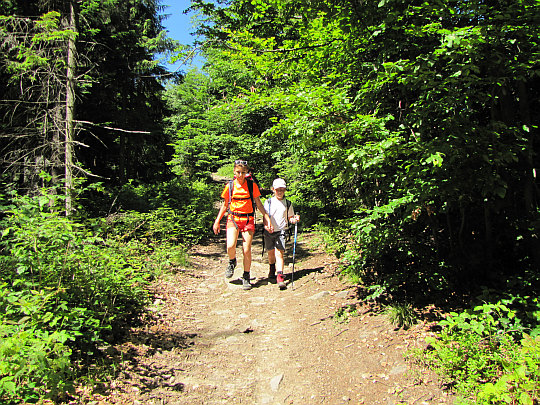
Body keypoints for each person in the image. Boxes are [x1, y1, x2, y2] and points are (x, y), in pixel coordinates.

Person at [213, 160, 273, 290]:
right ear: (234, 172)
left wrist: (266, 216)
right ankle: (232, 261)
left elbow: (258, 203)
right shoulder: (230, 186)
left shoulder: (252, 186)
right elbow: (224, 205)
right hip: (233, 218)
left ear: (247, 173)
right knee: (230, 246)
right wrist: (217, 221)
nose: (240, 175)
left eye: (243, 172)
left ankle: (246, 275)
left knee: (246, 249)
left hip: (248, 219)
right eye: (238, 172)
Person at [263, 178, 300, 290]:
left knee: (279, 253)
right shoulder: (268, 202)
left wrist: (294, 220)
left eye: (282, 190)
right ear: (273, 189)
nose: (280, 192)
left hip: (281, 231)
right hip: (269, 231)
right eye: (278, 189)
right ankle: (271, 269)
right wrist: (266, 226)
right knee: (270, 253)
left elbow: (290, 218)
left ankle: (280, 277)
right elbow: (265, 217)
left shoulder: (288, 203)